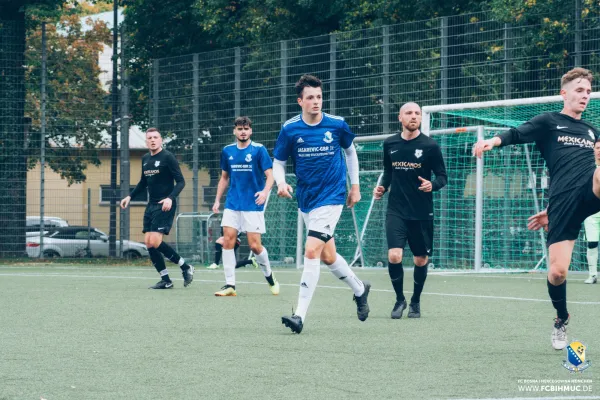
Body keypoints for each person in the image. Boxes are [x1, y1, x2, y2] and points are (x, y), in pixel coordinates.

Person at [473, 68, 599, 350]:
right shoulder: (549, 122)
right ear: (564, 93)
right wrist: (491, 142)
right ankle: (562, 318)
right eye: (580, 90)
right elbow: (518, 134)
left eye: (588, 92)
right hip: (562, 204)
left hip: (591, 190)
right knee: (557, 273)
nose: (585, 96)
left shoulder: (593, 132)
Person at [274, 74, 371, 334]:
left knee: (311, 251)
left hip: (332, 195)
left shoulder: (337, 124)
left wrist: (355, 186)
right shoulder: (290, 129)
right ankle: (360, 289)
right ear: (300, 101)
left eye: (319, 97)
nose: (316, 101)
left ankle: (299, 316)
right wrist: (280, 183)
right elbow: (279, 162)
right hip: (307, 198)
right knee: (328, 256)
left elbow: (350, 153)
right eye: (310, 98)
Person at [373, 102, 447, 319]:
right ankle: (399, 300)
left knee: (420, 260)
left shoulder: (430, 146)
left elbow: (443, 176)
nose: (413, 116)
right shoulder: (390, 144)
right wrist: (382, 188)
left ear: (421, 119)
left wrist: (432, 185)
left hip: (421, 212)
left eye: (417, 113)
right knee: (394, 255)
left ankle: (415, 301)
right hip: (396, 210)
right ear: (400, 118)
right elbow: (388, 172)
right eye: (409, 113)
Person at [212, 116, 279, 296]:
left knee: (255, 246)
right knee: (228, 240)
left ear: (251, 131)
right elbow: (224, 177)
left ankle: (269, 276)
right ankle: (230, 285)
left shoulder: (259, 150)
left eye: (246, 129)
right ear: (234, 131)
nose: (243, 132)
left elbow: (270, 176)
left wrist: (264, 192)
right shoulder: (227, 151)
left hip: (252, 204)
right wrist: (218, 199)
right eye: (240, 129)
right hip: (233, 203)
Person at [120, 127, 194, 289]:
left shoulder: (168, 157)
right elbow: (143, 182)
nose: (153, 140)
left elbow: (181, 182)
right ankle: (166, 280)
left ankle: (185, 266)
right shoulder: (145, 159)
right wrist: (130, 196)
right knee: (148, 243)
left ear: (161, 140)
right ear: (146, 141)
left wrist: (170, 198)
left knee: (155, 241)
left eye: (155, 137)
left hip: (165, 204)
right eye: (150, 138)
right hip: (151, 205)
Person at [583, 138, 600, 284]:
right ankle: (593, 274)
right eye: (598, 148)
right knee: (592, 243)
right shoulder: (587, 167)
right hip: (591, 213)